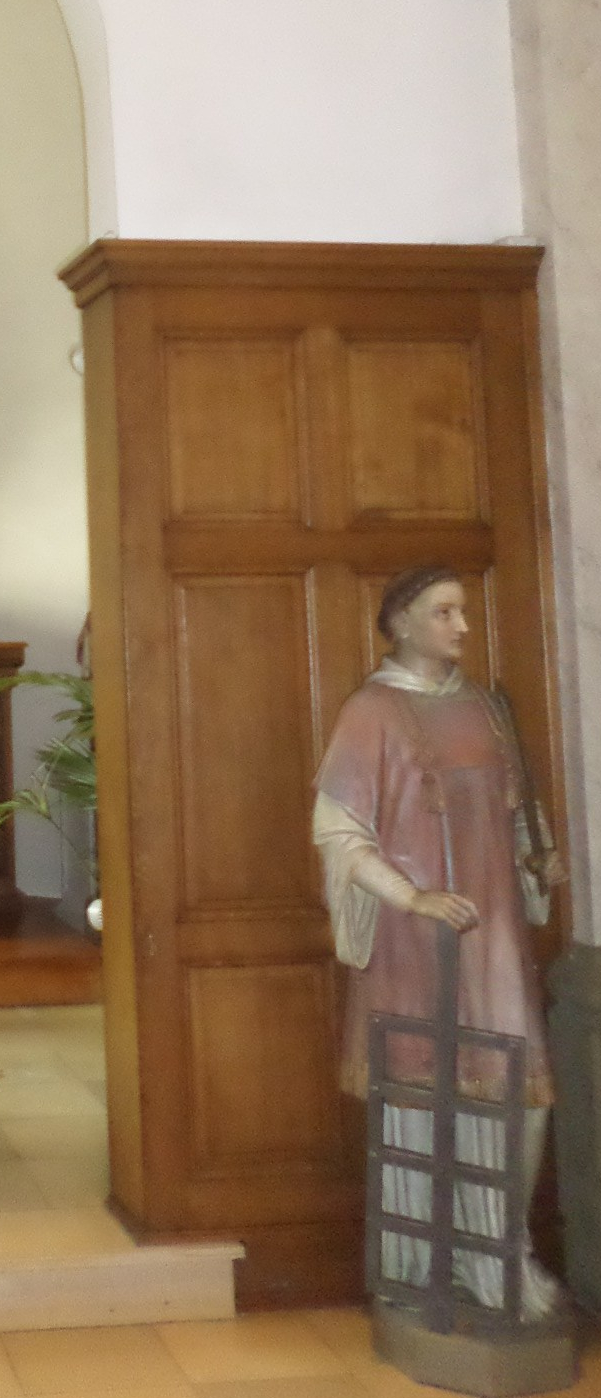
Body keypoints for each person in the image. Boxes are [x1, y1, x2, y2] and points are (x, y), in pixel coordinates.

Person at [313, 565, 566, 1319]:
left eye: (463, 612)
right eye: (444, 611)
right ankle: (422, 1260)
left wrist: (535, 863)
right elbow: (339, 832)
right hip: (413, 940)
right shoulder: (370, 712)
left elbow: (513, 815)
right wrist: (411, 895)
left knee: (515, 1091)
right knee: (424, 1096)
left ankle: (499, 1259)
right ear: (401, 621)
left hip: (491, 938)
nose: (462, 626)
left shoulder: (486, 710)